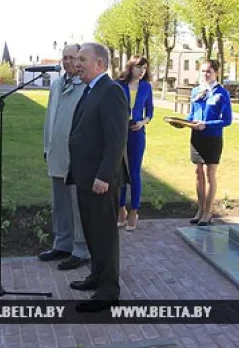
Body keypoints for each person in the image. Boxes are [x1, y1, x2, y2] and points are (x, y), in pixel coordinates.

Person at [66, 42, 128, 312]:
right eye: (76, 59)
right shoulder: (91, 89)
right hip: (84, 177)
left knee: (103, 235)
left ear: (100, 64)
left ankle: (108, 292)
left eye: (82, 59)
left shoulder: (111, 91)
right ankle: (96, 276)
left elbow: (116, 140)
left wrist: (104, 175)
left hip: (100, 180)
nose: (77, 64)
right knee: (92, 232)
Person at [39, 43, 91, 271]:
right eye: (65, 57)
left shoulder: (86, 86)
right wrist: (46, 146)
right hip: (56, 153)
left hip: (76, 157)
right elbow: (50, 116)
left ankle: (81, 249)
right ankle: (62, 243)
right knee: (59, 203)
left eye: (72, 57)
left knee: (77, 204)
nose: (68, 61)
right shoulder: (57, 84)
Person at [172, 60, 232, 226]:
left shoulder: (221, 93)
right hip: (196, 138)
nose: (206, 74)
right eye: (203, 71)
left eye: (209, 71)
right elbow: (192, 115)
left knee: (209, 173)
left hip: (212, 137)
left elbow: (227, 120)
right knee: (198, 173)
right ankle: (199, 209)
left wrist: (207, 124)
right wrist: (184, 122)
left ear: (216, 73)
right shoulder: (196, 91)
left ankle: (208, 212)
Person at [116, 56, 154, 231]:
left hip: (137, 133)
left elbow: (150, 111)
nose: (142, 71)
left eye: (144, 68)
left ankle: (134, 211)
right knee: (121, 170)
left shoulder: (146, 87)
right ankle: (121, 208)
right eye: (139, 67)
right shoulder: (119, 85)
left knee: (134, 172)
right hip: (120, 132)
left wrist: (143, 122)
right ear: (131, 67)